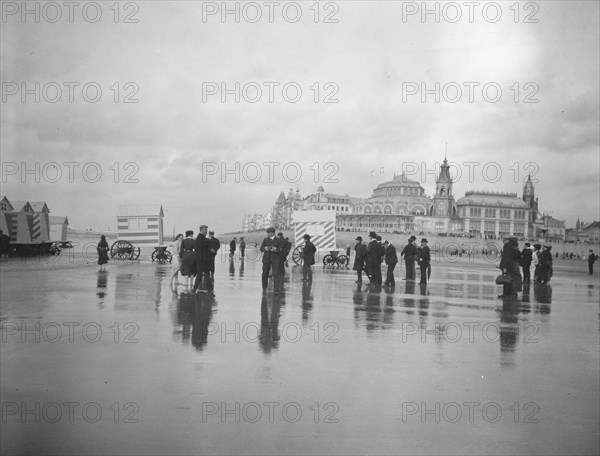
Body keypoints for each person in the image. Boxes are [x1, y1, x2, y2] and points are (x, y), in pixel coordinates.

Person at [260, 227, 283, 294]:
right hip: (266, 259)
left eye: (268, 233)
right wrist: (265, 248)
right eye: (267, 233)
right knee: (264, 274)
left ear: (273, 233)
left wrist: (275, 249)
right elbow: (261, 248)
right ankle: (264, 288)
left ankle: (276, 290)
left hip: (275, 259)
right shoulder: (265, 240)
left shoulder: (278, 240)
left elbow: (281, 250)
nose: (267, 234)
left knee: (276, 274)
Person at [193, 225, 212, 294]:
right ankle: (209, 290)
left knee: (200, 275)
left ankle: (194, 289)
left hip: (201, 259)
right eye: (205, 230)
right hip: (202, 260)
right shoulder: (200, 238)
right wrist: (209, 239)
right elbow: (203, 244)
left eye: (206, 230)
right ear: (201, 230)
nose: (206, 232)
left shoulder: (201, 237)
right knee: (205, 274)